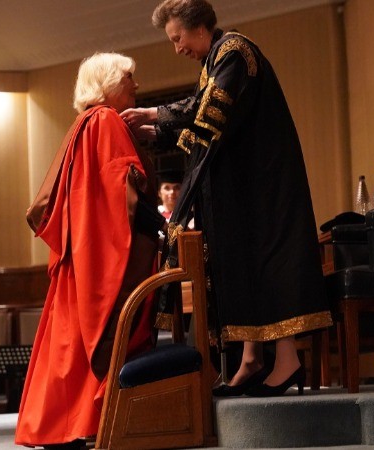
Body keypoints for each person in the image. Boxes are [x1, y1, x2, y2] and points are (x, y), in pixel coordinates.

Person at [121, 0, 332, 397]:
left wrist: (154, 115)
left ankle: (285, 362)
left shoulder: (234, 51)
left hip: (265, 182)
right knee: (246, 264)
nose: (176, 47)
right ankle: (251, 359)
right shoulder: (216, 59)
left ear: (196, 26)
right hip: (246, 183)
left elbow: (208, 112)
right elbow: (204, 127)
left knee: (267, 263)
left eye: (176, 38)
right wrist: (156, 133)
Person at [15, 53, 163, 449]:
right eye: (128, 77)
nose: (135, 84)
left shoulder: (84, 123)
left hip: (82, 254)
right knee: (95, 339)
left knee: (70, 342)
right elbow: (122, 187)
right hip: (100, 254)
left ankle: (62, 426)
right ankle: (84, 422)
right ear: (108, 82)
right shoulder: (106, 120)